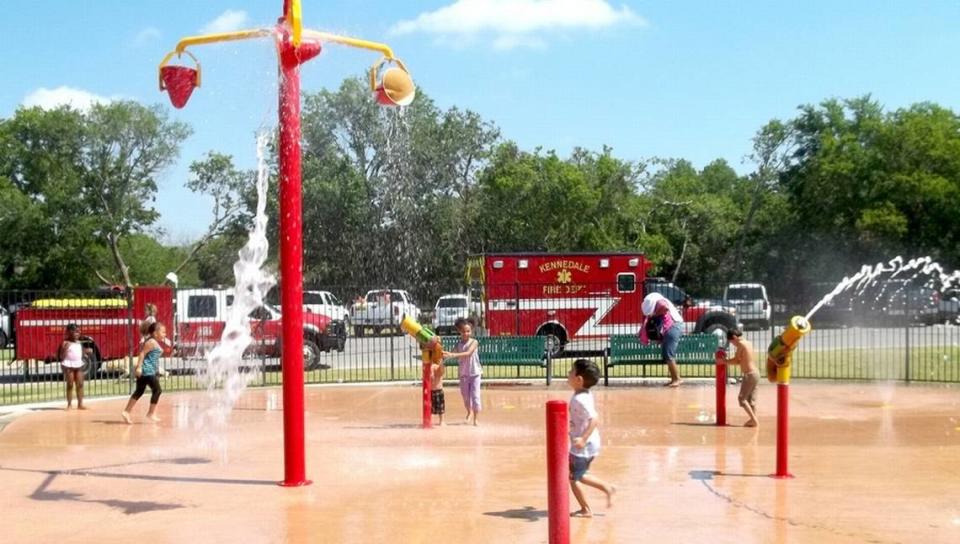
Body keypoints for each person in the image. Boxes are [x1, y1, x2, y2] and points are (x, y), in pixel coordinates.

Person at [567, 358, 616, 518]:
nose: (568, 374)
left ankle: (586, 508)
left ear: (579, 379)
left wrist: (582, 438)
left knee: (575, 478)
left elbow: (594, 419)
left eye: (571, 372)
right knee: (580, 474)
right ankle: (607, 488)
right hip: (588, 444)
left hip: (584, 445)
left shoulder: (580, 399)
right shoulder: (584, 394)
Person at [121, 322, 165, 424]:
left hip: (148, 370)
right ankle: (150, 413)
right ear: (155, 333)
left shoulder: (154, 342)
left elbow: (152, 357)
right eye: (163, 332)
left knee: (139, 391)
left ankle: (126, 412)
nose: (164, 334)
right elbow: (142, 354)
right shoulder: (151, 342)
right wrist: (139, 368)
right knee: (157, 390)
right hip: (146, 371)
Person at [639, 292, 685, 387]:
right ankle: (674, 379)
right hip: (673, 327)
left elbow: (665, 308)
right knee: (666, 354)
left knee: (668, 354)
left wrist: (656, 313)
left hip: (674, 327)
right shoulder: (660, 301)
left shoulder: (661, 302)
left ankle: (677, 379)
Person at [717, 328, 760, 427]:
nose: (733, 344)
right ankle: (752, 420)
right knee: (751, 401)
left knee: (742, 399)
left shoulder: (741, 345)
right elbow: (740, 361)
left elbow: (736, 360)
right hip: (756, 373)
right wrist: (727, 361)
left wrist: (724, 361)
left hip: (749, 374)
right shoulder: (748, 343)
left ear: (735, 338)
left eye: (732, 342)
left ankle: (754, 420)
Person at [443, 317, 481, 426]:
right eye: (463, 331)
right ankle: (469, 412)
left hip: (475, 374)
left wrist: (454, 355)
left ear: (471, 331)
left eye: (468, 331)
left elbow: (468, 353)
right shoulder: (458, 345)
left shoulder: (474, 342)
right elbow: (450, 354)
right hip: (464, 375)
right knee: (466, 397)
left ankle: (476, 419)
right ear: (460, 332)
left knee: (476, 396)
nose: (466, 333)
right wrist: (444, 354)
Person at [58, 323, 89, 410]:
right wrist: (64, 350)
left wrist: (85, 353)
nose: (77, 334)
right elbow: (61, 356)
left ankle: (80, 404)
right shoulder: (65, 343)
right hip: (68, 365)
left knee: (80, 384)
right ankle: (69, 404)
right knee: (70, 384)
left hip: (78, 364)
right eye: (75, 332)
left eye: (78, 332)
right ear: (69, 333)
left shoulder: (79, 343)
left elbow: (81, 353)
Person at [427, 337, 446, 427]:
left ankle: (441, 421)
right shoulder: (431, 365)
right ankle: (429, 420)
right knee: (430, 406)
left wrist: (441, 361)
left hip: (438, 389)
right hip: (431, 390)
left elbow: (441, 372)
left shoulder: (438, 366)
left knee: (440, 408)